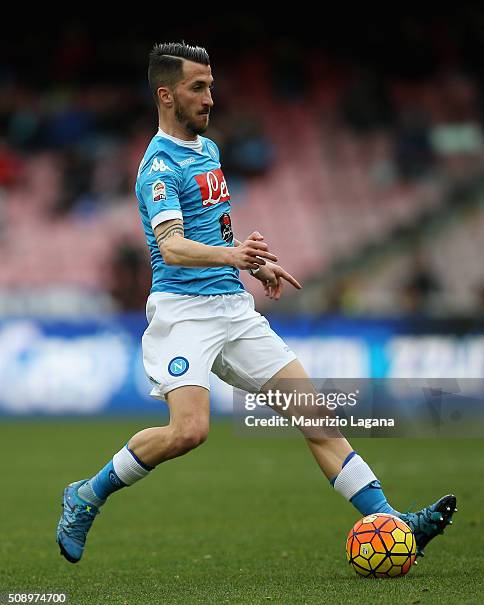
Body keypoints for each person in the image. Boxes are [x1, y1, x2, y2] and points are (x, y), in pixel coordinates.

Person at [56, 42, 457, 564]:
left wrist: (252, 263)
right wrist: (236, 255)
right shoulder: (157, 166)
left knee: (317, 417)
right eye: (197, 88)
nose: (209, 98)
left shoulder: (209, 151)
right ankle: (86, 495)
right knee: (190, 430)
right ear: (166, 95)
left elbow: (213, 231)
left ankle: (390, 522)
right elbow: (173, 246)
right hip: (184, 314)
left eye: (211, 87)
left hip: (231, 308)